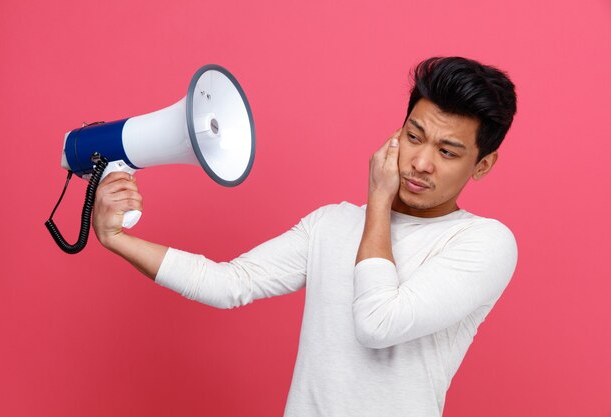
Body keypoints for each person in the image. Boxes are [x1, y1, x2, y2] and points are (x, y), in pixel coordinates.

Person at [92, 56, 518, 417]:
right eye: (414, 136)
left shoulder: (483, 241)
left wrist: (377, 200)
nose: (421, 162)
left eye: (447, 152)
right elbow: (229, 283)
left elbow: (377, 322)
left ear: (482, 165)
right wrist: (116, 239)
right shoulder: (331, 223)